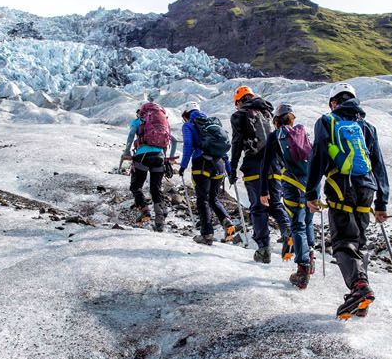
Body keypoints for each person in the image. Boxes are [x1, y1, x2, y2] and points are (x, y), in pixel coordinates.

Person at [305, 83, 390, 319]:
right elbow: (379, 165)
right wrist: (382, 202)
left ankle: (359, 289)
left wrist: (311, 193)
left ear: (333, 102)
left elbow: (319, 155)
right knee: (359, 243)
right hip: (366, 190)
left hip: (340, 186)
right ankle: (362, 302)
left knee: (343, 242)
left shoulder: (327, 122)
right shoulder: (367, 126)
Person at [228, 86, 291, 263]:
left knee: (258, 207)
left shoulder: (240, 115)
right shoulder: (267, 113)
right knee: (276, 203)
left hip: (254, 165)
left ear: (240, 101)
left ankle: (263, 249)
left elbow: (237, 142)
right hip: (274, 165)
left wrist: (232, 169)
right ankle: (287, 231)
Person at [262, 103, 316, 289]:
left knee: (297, 225)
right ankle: (310, 256)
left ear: (276, 120)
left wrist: (263, 191)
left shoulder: (275, 136)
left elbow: (266, 165)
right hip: (310, 185)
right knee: (308, 222)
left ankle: (302, 270)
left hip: (291, 184)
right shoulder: (303, 134)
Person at [178, 104, 237, 245]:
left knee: (202, 199)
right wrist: (229, 171)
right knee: (213, 198)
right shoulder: (212, 124)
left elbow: (187, 145)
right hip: (219, 165)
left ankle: (207, 234)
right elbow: (224, 152)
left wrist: (183, 166)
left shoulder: (189, 125)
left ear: (187, 114)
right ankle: (227, 220)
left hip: (202, 165)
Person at [124, 100, 177, 231]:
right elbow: (174, 141)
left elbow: (131, 135)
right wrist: (169, 157)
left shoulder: (138, 121)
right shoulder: (162, 124)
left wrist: (126, 151)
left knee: (136, 186)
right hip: (159, 157)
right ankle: (159, 220)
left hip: (142, 157)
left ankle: (144, 210)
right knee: (155, 189)